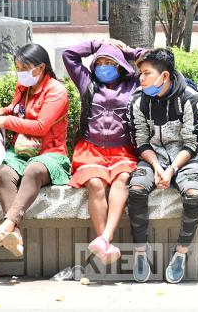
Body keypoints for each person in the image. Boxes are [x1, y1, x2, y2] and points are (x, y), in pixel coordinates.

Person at [127, 48, 198, 284]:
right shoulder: (137, 100)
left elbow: (193, 142)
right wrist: (156, 166)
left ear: (165, 76)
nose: (140, 79)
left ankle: (181, 253)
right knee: (136, 191)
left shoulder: (190, 98)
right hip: (153, 157)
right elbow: (140, 139)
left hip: (187, 158)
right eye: (140, 73)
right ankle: (141, 252)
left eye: (146, 73)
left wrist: (172, 169)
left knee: (194, 196)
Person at [0, 43, 70, 257]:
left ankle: (6, 225)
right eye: (18, 67)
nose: (20, 72)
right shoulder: (24, 87)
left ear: (40, 68)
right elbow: (17, 110)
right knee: (4, 173)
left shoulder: (56, 91)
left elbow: (41, 126)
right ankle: (15, 235)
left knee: (33, 170)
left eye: (24, 68)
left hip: (50, 153)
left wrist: (7, 121)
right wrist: (1, 112)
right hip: (22, 150)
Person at [62, 38, 143, 264]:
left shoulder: (134, 83)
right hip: (91, 149)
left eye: (109, 62)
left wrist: (127, 50)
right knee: (95, 184)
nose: (103, 67)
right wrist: (97, 45)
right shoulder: (86, 81)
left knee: (123, 178)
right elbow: (69, 53)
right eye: (99, 62)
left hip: (122, 150)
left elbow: (157, 61)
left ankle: (105, 238)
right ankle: (104, 243)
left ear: (119, 65)